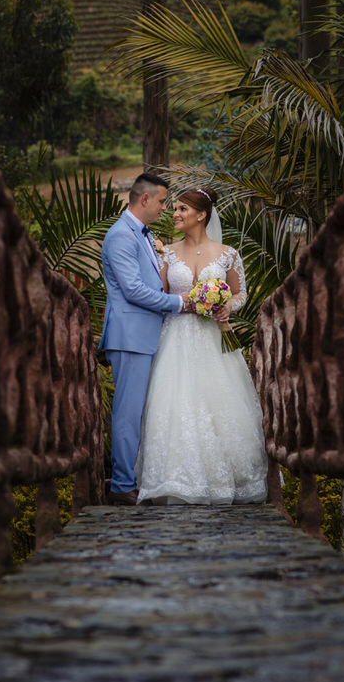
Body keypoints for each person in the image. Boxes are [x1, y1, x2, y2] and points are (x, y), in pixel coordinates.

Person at [135, 187, 268, 505]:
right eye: (175, 209)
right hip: (176, 340)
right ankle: (179, 479)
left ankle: (225, 481)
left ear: (201, 214)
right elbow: (160, 293)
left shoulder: (228, 254)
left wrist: (227, 307)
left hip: (213, 339)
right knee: (175, 403)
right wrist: (182, 303)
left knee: (220, 406)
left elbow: (240, 293)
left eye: (182, 209)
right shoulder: (166, 253)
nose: (175, 214)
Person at [98, 173, 189, 506]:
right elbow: (134, 291)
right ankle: (121, 486)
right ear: (145, 199)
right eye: (164, 201)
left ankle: (132, 478)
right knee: (128, 412)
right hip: (130, 336)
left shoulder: (142, 235)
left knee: (139, 411)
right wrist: (180, 303)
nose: (166, 208)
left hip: (145, 334)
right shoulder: (121, 235)